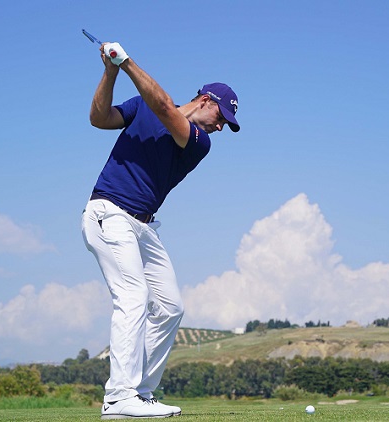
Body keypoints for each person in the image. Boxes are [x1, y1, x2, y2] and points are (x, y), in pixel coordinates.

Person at [81, 40, 240, 419]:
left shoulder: (198, 142)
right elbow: (98, 119)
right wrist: (110, 72)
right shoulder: (141, 108)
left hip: (144, 228)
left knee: (170, 307)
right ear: (204, 99)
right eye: (222, 116)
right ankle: (119, 397)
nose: (221, 126)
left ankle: (139, 391)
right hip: (109, 214)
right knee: (134, 298)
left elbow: (165, 107)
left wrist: (127, 62)